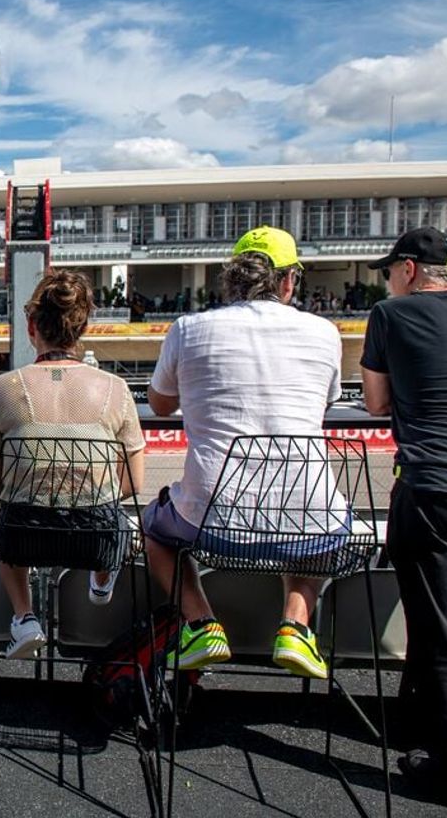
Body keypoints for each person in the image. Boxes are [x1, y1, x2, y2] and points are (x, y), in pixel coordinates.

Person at [144, 226, 344, 680]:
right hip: (308, 516)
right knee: (319, 525)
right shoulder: (324, 332)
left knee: (154, 527)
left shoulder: (189, 328)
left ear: (231, 280)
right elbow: (323, 403)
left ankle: (201, 623)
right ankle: (295, 625)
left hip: (210, 520)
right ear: (290, 281)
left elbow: (159, 404)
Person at [362, 227, 447, 813]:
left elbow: (376, 404)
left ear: (410, 270)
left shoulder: (391, 314)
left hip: (435, 490)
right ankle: (431, 730)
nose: (387, 279)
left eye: (391, 269)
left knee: (440, 632)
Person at [0, 269, 146, 659]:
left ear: (32, 324)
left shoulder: (2, 389)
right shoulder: (116, 389)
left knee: (3, 510)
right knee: (117, 514)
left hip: (23, 536)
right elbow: (133, 483)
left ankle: (24, 616)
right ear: (83, 326)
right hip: (96, 539)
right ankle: (101, 581)